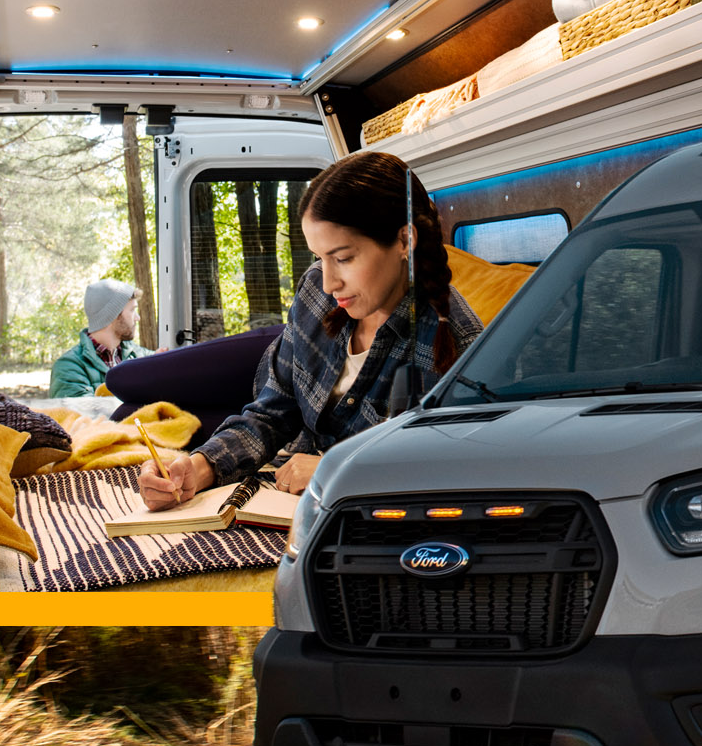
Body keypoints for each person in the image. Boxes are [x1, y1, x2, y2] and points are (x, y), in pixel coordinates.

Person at [138, 152, 481, 510]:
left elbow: (451, 473)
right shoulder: (316, 291)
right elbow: (272, 413)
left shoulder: (459, 344)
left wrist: (333, 470)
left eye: (344, 258)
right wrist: (198, 467)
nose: (329, 282)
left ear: (404, 241)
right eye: (320, 257)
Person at [49, 279, 151, 397]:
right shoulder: (68, 367)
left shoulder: (140, 355)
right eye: (132, 310)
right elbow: (85, 415)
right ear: (112, 314)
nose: (137, 318)